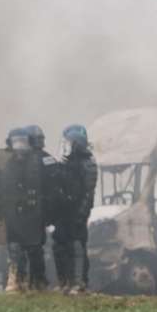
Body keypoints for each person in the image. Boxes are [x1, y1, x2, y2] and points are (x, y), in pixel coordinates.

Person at [2, 126, 60, 292]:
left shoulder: (42, 160)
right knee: (16, 249)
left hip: (34, 212)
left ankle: (38, 281)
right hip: (15, 213)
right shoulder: (9, 163)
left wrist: (49, 212)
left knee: (34, 249)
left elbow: (52, 188)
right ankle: (17, 280)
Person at [54, 125, 98, 292]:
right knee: (60, 246)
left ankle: (79, 283)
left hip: (77, 213)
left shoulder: (88, 163)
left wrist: (81, 214)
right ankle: (64, 282)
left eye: (69, 143)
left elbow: (88, 193)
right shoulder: (65, 163)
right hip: (64, 212)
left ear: (77, 144)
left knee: (77, 246)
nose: (65, 146)